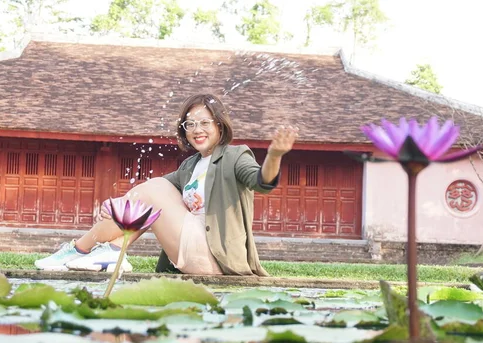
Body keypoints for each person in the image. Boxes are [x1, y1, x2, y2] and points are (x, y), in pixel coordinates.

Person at [34, 93, 298, 276]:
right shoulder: (190, 166)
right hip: (191, 250)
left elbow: (262, 182)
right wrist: (118, 205)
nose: (197, 129)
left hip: (216, 256)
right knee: (146, 193)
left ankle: (82, 250)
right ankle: (110, 250)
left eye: (205, 122)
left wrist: (274, 155)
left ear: (219, 126)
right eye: (190, 124)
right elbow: (145, 195)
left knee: (151, 190)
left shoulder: (234, 156)